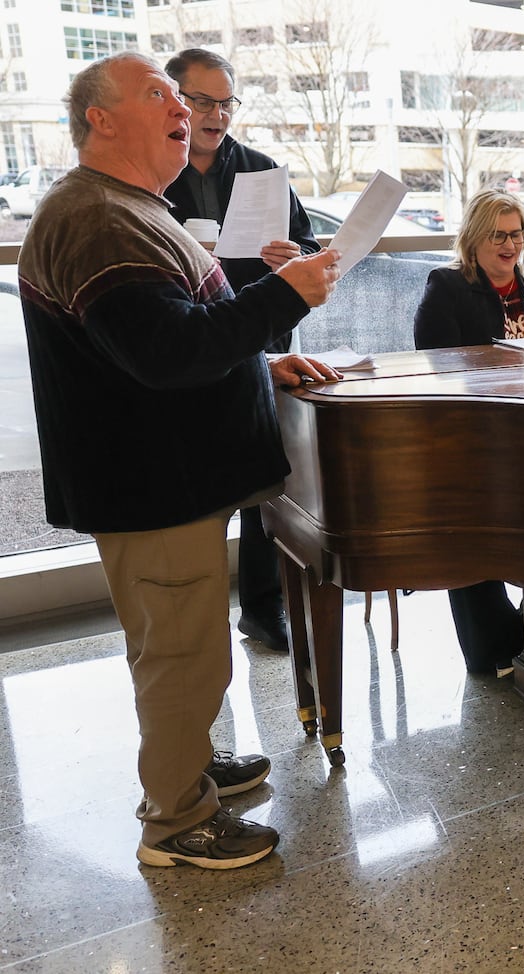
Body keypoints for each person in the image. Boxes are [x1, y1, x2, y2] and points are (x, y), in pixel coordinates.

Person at [18, 53, 342, 868]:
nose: (182, 107)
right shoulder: (95, 218)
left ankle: (187, 765)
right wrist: (284, 295)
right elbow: (164, 352)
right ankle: (176, 821)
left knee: (181, 643)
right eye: (158, 94)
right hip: (152, 484)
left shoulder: (127, 206)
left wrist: (259, 363)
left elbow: (160, 337)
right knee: (180, 655)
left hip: (169, 477)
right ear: (100, 118)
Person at [164, 48, 323, 654]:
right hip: (189, 349)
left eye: (226, 102)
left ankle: (263, 609)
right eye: (202, 100)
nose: (217, 114)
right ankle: (200, 625)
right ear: (176, 100)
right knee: (204, 493)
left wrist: (295, 258)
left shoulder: (261, 170)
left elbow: (308, 249)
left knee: (266, 482)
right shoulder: (154, 174)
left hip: (264, 347)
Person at [414, 189, 524, 674]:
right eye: (497, 234)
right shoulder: (446, 285)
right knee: (470, 527)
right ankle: (491, 647)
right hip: (470, 435)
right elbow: (433, 362)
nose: (510, 244)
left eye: (517, 233)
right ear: (473, 239)